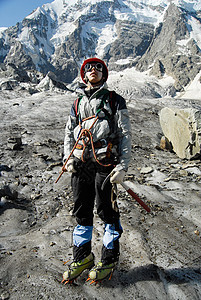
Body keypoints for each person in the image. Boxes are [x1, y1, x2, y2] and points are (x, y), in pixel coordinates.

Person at [62, 57, 131, 284]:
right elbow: (69, 133)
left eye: (98, 68)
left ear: (104, 74)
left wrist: (122, 167)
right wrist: (68, 158)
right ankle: (82, 257)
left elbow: (125, 135)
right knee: (82, 211)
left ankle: (109, 258)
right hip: (81, 164)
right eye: (89, 68)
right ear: (83, 75)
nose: (94, 70)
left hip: (106, 164)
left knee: (107, 211)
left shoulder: (114, 100)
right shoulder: (76, 103)